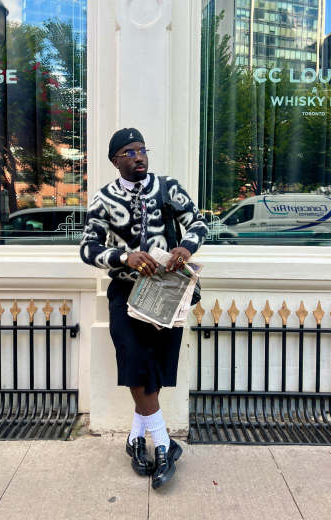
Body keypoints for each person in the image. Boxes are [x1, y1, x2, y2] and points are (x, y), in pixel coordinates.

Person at [80, 128, 208, 489]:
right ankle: (165, 446)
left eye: (141, 150)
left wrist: (186, 247)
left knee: (154, 368)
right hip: (125, 292)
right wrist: (124, 257)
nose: (138, 156)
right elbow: (87, 248)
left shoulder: (167, 188)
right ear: (115, 160)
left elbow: (198, 222)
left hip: (167, 290)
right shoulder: (104, 199)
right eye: (129, 152)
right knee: (135, 362)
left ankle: (136, 439)